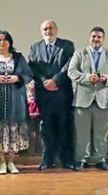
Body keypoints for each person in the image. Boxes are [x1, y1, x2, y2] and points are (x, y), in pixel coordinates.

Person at [0, 30, 33, 175]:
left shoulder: (18, 58)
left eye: (3, 40)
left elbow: (29, 75)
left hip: (15, 100)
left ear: (10, 42)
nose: (1, 43)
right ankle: (2, 162)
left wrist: (17, 78)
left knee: (14, 130)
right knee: (0, 132)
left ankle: (11, 162)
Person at [68, 27, 108, 171]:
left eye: (99, 37)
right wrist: (86, 78)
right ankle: (81, 159)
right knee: (82, 132)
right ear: (89, 37)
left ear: (103, 39)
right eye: (93, 36)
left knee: (101, 133)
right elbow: (71, 72)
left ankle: (100, 159)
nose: (96, 39)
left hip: (103, 100)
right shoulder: (79, 54)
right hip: (83, 99)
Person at [29, 20, 76, 171]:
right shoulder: (34, 47)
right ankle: (47, 160)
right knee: (46, 130)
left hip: (62, 93)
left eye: (50, 28)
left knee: (64, 127)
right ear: (41, 31)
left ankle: (67, 160)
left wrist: (55, 81)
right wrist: (44, 81)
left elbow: (69, 65)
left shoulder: (67, 45)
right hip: (44, 95)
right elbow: (32, 68)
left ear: (56, 29)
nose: (48, 31)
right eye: (45, 29)